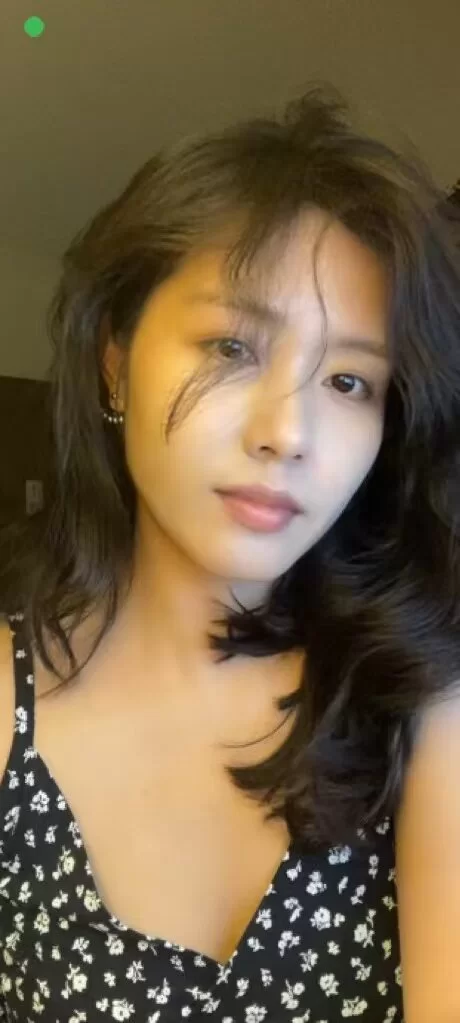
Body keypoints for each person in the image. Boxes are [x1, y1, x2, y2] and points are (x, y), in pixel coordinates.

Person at [0, 85, 459, 1023]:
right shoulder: (9, 703)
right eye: (231, 346)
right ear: (116, 361)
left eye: (349, 380)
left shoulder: (421, 700)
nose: (287, 431)